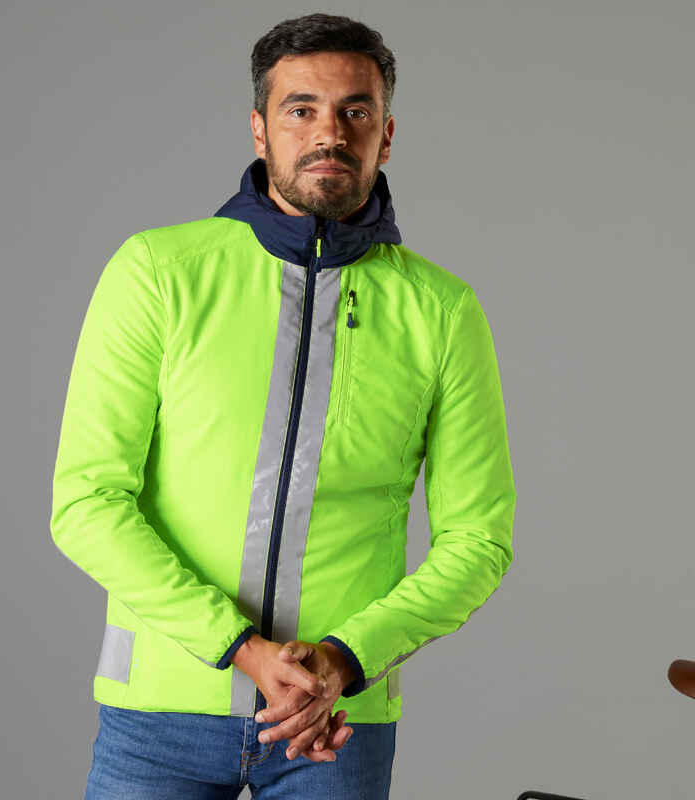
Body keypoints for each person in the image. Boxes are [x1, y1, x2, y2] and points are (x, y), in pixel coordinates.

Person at [50, 12, 516, 799]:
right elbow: (86, 502)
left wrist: (343, 660)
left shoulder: (442, 311)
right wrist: (242, 648)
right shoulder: (158, 272)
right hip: (161, 716)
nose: (330, 132)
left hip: (336, 723)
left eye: (355, 111)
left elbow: (479, 539)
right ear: (260, 129)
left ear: (386, 135)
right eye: (301, 109)